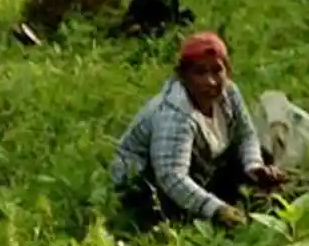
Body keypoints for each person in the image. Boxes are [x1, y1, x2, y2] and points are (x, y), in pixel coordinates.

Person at [111, 31, 287, 231]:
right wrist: (215, 209)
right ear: (184, 76)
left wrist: (253, 166)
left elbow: (245, 135)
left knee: (263, 160)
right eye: (200, 72)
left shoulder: (229, 93)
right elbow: (171, 176)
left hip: (203, 165)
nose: (211, 81)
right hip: (148, 181)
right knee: (163, 210)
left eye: (217, 71)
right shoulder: (174, 114)